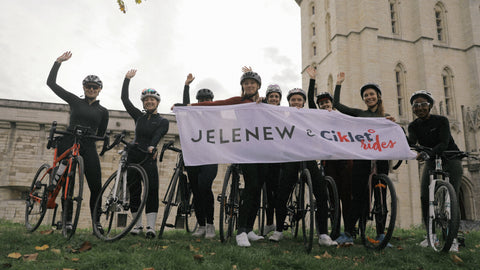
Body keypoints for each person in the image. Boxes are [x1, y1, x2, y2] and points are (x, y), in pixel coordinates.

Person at [182, 70, 267, 247]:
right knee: (251, 187)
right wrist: (189, 106)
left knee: (257, 187)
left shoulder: (263, 102)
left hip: (262, 150)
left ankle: (250, 229)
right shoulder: (238, 101)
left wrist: (263, 102)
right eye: (246, 83)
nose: (249, 85)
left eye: (252, 83)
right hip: (245, 148)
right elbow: (216, 105)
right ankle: (241, 231)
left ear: (258, 86)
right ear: (242, 86)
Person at [46, 51, 109, 232]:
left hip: (88, 146)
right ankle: (66, 221)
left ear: (99, 90)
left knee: (96, 185)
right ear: (84, 88)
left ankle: (96, 223)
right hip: (69, 141)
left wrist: (103, 141)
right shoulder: (74, 101)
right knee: (68, 183)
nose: (91, 89)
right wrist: (58, 62)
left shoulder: (103, 111)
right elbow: (51, 84)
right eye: (88, 86)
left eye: (94, 87)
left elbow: (102, 133)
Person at [268, 88, 337, 246]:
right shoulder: (283, 117)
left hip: (308, 156)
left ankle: (323, 235)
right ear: (289, 103)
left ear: (304, 102)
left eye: (299, 100)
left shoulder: (311, 116)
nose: (296, 102)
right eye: (293, 100)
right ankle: (279, 230)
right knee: (282, 193)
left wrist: (331, 113)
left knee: (321, 193)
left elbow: (325, 123)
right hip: (291, 157)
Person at [332, 76, 395, 245]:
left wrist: (393, 125)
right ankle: (349, 232)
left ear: (378, 96)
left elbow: (397, 135)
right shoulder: (360, 114)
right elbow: (337, 106)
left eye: (371, 94)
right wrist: (338, 84)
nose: (369, 97)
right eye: (366, 95)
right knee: (357, 196)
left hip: (380, 160)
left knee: (381, 197)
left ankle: (381, 234)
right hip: (362, 160)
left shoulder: (386, 117)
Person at [407, 90, 462, 252]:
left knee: (452, 197)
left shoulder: (441, 121)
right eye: (416, 105)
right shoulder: (413, 126)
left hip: (450, 157)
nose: (420, 108)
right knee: (425, 195)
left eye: (423, 104)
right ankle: (430, 234)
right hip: (431, 159)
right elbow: (410, 141)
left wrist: (427, 153)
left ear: (430, 105)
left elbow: (444, 143)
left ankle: (452, 239)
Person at [121, 69, 169, 238]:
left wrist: (152, 146)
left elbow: (158, 135)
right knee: (134, 191)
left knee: (152, 191)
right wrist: (127, 80)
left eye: (152, 100)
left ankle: (150, 227)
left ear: (157, 102)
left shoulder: (163, 121)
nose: (149, 102)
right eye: (146, 100)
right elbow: (125, 100)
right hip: (134, 155)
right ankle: (136, 225)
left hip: (148, 157)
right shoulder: (139, 117)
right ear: (143, 103)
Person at [306, 66, 353, 237]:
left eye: (327, 103)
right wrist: (312, 80)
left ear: (332, 104)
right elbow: (310, 103)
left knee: (346, 196)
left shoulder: (340, 117)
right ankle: (334, 230)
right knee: (332, 198)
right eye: (322, 104)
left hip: (344, 160)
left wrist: (339, 84)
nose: (325, 105)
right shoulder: (318, 118)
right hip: (328, 161)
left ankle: (348, 230)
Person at [179, 73, 219, 239]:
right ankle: (201, 224)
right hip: (194, 157)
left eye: (206, 100)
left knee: (204, 188)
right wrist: (187, 86)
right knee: (195, 190)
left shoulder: (217, 115)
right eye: (201, 100)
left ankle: (210, 224)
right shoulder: (192, 116)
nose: (204, 102)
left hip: (210, 157)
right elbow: (186, 106)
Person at [261, 84, 284, 236]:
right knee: (269, 192)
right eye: (271, 97)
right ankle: (269, 223)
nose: (274, 99)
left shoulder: (284, 113)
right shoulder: (261, 110)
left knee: (279, 192)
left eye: (276, 97)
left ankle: (279, 224)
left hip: (280, 157)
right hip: (266, 156)